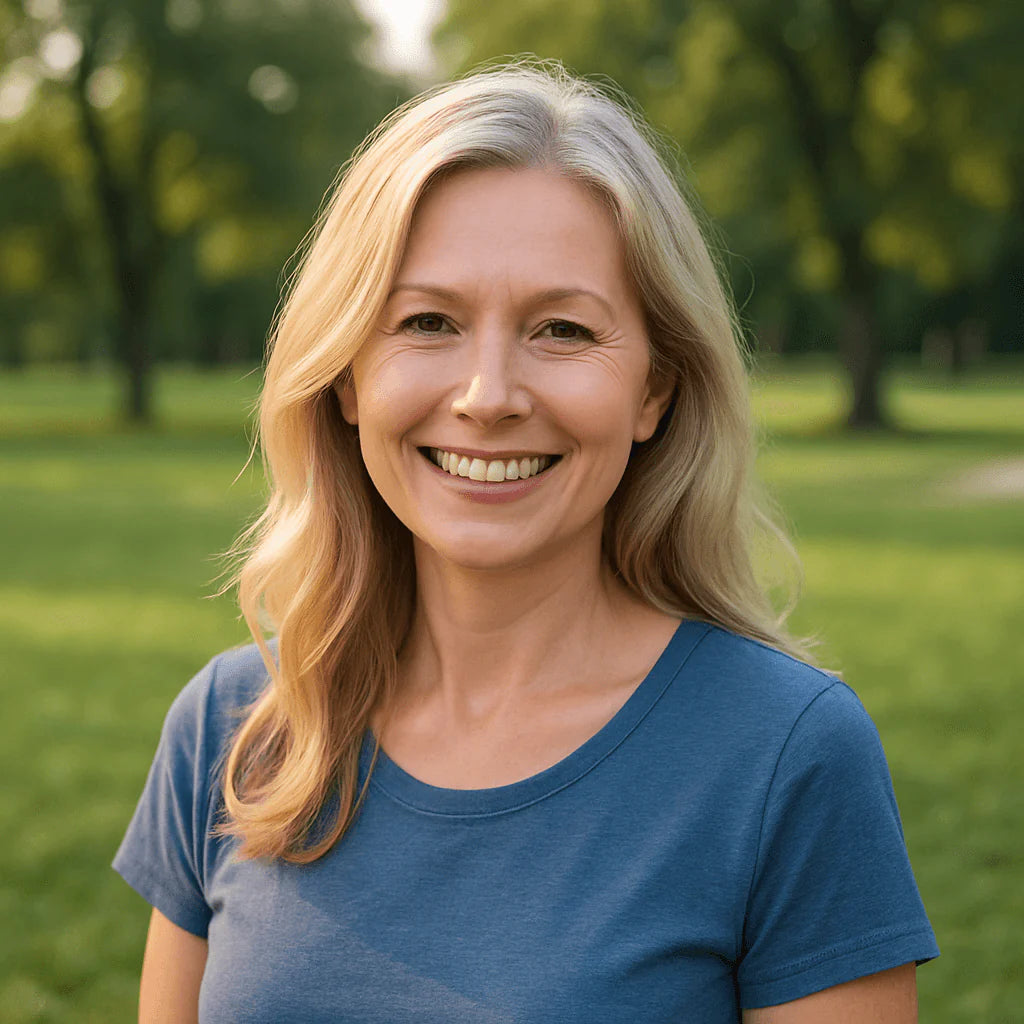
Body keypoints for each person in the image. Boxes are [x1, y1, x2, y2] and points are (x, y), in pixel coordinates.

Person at [114, 60, 938, 1023]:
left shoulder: (786, 756)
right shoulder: (232, 727)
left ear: (654, 390)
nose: (489, 395)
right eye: (427, 322)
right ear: (345, 376)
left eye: (561, 330)